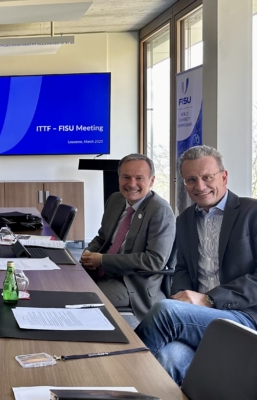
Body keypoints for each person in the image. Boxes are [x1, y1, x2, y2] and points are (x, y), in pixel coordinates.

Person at [136, 145, 257, 385]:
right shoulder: (185, 220)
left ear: (224, 177)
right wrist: (183, 297)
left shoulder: (252, 212)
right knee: (168, 358)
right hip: (197, 318)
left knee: (165, 311)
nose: (200, 186)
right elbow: (181, 269)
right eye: (191, 180)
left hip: (244, 317)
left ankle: (115, 375)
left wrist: (209, 299)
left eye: (207, 177)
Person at [80, 154, 176, 320]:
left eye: (139, 178)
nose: (132, 184)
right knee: (64, 283)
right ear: (119, 178)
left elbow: (154, 261)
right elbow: (102, 237)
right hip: (103, 270)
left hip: (133, 282)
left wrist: (103, 260)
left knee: (83, 299)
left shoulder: (160, 211)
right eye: (126, 177)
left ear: (152, 181)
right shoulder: (115, 199)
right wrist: (88, 253)